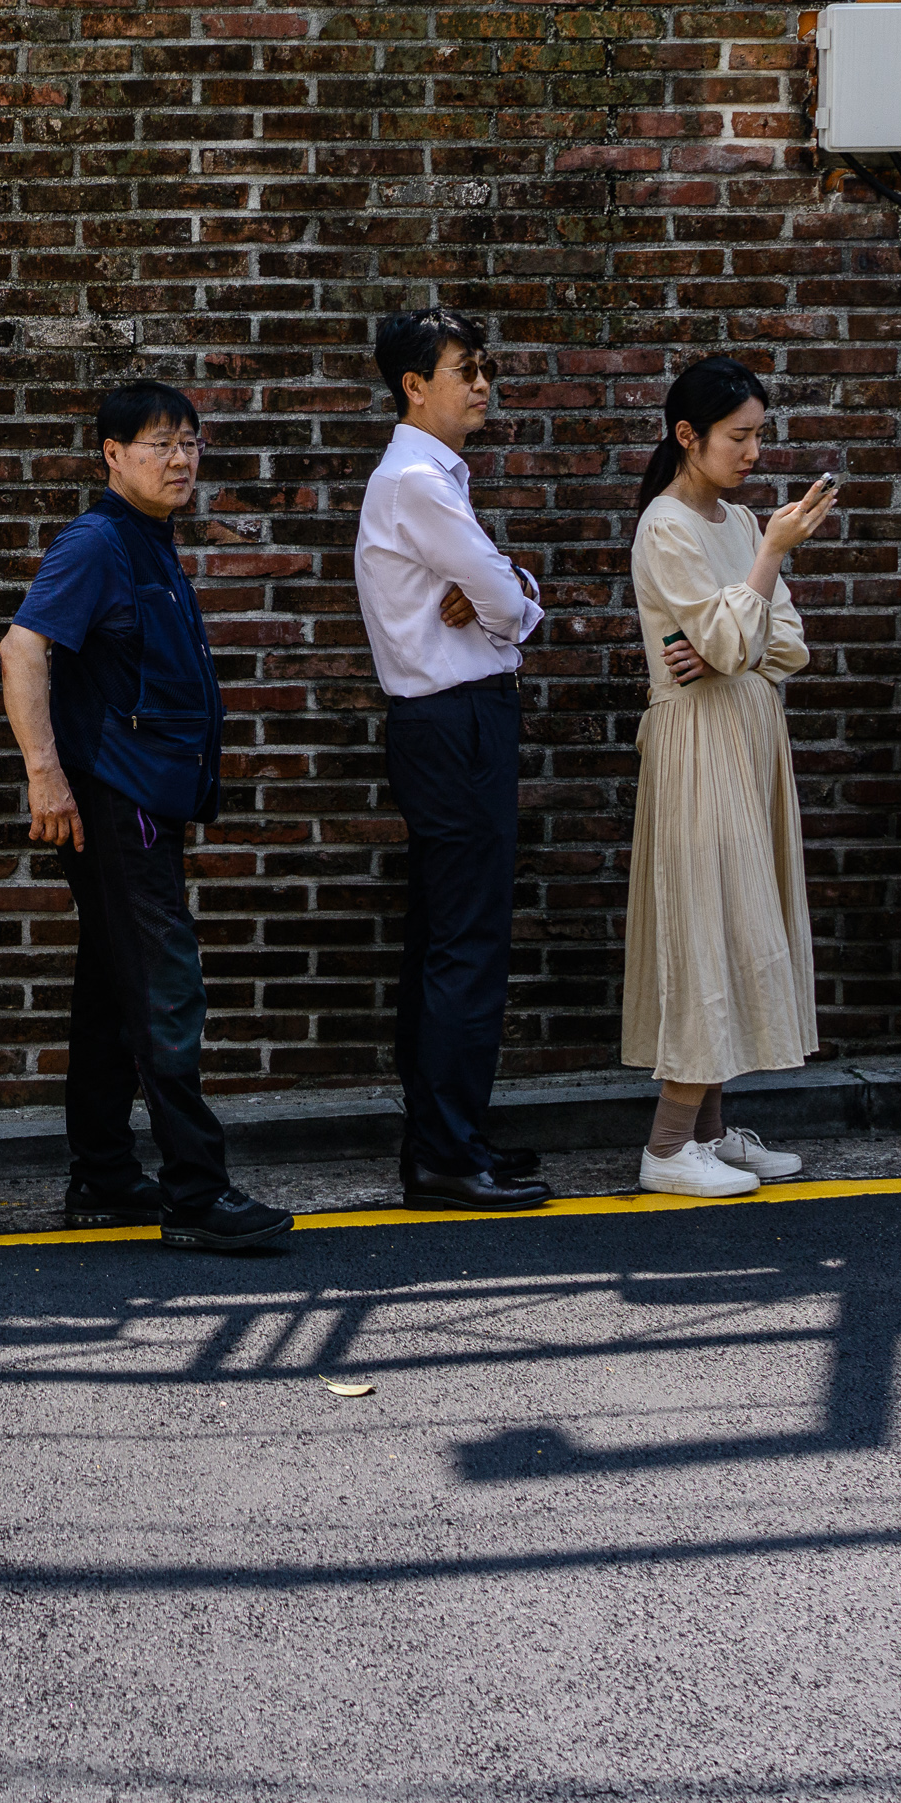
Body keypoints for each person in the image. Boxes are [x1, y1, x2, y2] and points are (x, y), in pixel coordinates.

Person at [1, 382, 296, 1258]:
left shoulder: (148, 542)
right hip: (115, 801)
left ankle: (101, 1173)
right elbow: (23, 648)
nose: (180, 459)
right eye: (159, 443)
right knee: (166, 987)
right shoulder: (98, 543)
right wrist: (45, 776)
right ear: (112, 455)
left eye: (190, 443)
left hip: (138, 803)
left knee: (112, 986)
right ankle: (196, 1191)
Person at [621, 356, 838, 1198]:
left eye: (758, 434)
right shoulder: (667, 527)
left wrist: (734, 627)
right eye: (738, 435)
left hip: (746, 732)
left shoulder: (744, 523)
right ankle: (670, 1145)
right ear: (688, 435)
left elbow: (786, 645)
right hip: (698, 742)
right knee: (709, 921)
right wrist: (767, 566)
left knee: (745, 917)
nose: (753, 450)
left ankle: (709, 1130)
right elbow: (723, 645)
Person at [353, 306, 548, 1212]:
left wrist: (505, 592)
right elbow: (507, 601)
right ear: (414, 386)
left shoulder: (424, 480)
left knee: (447, 941)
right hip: (457, 723)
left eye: (483, 367)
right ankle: (443, 1153)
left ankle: (449, 1137)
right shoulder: (421, 482)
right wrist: (506, 594)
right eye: (465, 370)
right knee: (465, 946)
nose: (482, 384)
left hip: (445, 725)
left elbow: (503, 591)